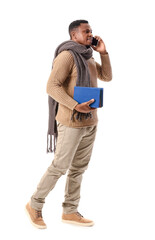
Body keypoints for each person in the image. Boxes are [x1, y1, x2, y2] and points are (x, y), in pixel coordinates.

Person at [25, 19, 112, 229]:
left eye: (91, 30)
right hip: (71, 122)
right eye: (86, 31)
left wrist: (104, 53)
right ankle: (34, 204)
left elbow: (107, 77)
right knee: (59, 167)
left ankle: (70, 211)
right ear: (74, 35)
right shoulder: (67, 56)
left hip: (90, 123)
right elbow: (51, 86)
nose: (91, 34)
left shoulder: (89, 56)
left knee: (78, 169)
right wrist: (74, 105)